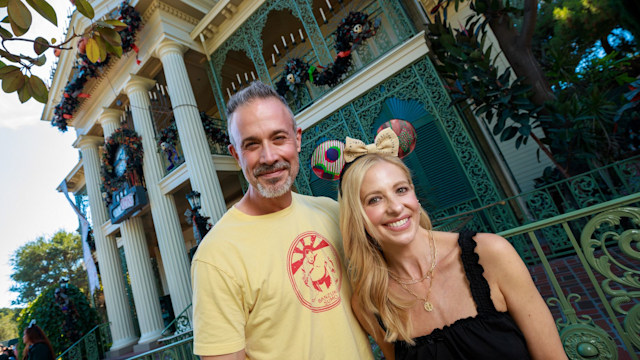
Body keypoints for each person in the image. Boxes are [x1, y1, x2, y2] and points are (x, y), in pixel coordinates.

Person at [337, 131, 568, 359]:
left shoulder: (490, 254)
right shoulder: (369, 303)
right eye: (374, 199)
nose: (396, 207)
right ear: (357, 216)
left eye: (401, 190)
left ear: (414, 195)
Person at [191, 81, 373, 359]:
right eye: (251, 145)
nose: (269, 156)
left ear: (297, 139)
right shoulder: (215, 256)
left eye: (279, 138)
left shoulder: (332, 211)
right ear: (235, 154)